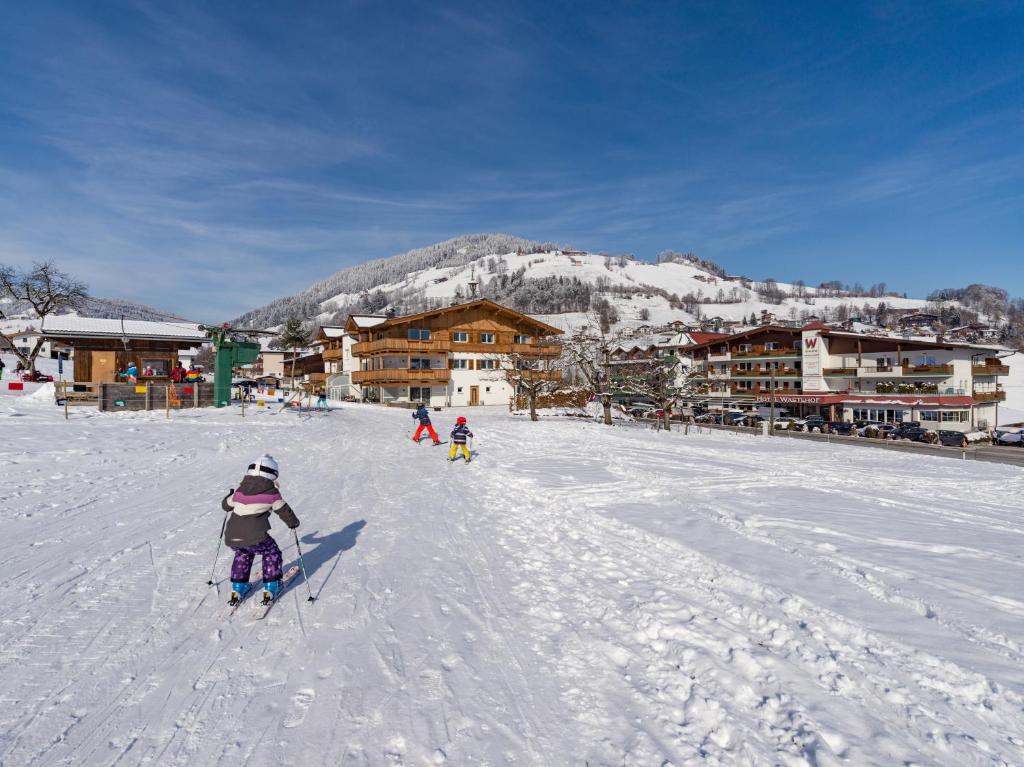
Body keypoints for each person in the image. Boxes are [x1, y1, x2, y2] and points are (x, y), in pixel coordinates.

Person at [221, 454, 300, 604]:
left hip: (232, 536)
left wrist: (229, 496)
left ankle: (238, 588)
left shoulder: (240, 490)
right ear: (273, 474)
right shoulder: (272, 494)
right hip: (255, 537)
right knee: (271, 552)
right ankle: (271, 587)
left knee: (243, 553)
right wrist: (293, 523)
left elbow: (226, 506)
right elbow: (285, 511)